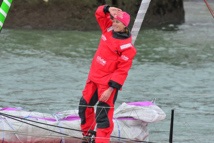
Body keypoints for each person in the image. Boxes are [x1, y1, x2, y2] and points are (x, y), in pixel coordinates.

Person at [78, 4, 137, 143]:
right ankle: (87, 136)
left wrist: (111, 89)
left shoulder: (128, 48)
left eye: (119, 22)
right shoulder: (108, 28)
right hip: (93, 79)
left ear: (125, 26)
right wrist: (107, 8)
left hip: (107, 85)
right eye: (115, 20)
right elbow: (99, 14)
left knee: (103, 116)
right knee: (84, 107)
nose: (115, 24)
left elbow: (122, 71)